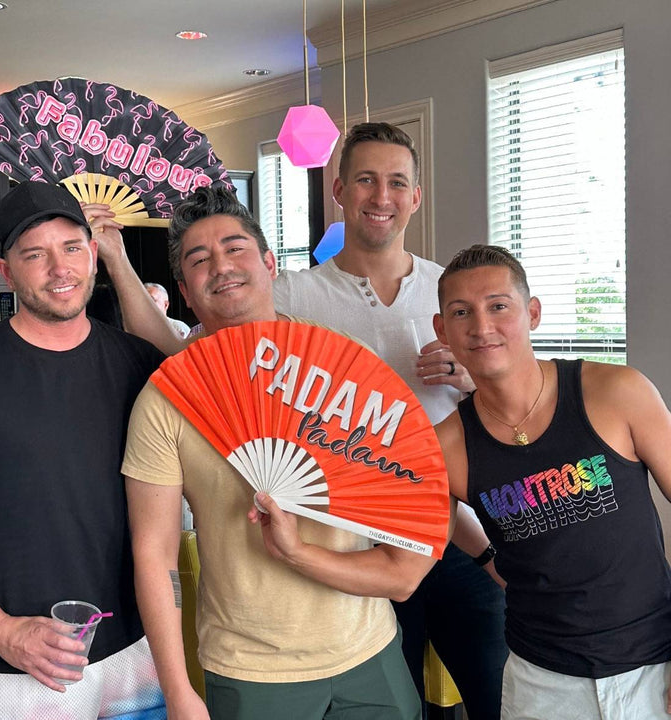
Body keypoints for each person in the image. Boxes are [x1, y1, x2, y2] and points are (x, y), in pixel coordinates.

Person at [116, 186, 493, 720]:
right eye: (199, 260)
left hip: (371, 648)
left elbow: (407, 490)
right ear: (184, 291)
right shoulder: (167, 400)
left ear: (270, 264)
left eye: (235, 248)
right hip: (251, 669)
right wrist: (177, 690)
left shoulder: (341, 364)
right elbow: (154, 556)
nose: (221, 266)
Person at [272, 122, 508, 719]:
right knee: (390, 707)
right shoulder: (292, 297)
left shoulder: (450, 291)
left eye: (397, 182)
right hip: (358, 543)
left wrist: (470, 377)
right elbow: (196, 350)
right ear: (339, 190)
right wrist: (116, 259)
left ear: (416, 196)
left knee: (501, 698)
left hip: (456, 531)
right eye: (366, 180)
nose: (382, 197)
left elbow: (514, 395)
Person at [0, 181, 165, 720]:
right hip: (7, 665)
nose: (59, 268)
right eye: (35, 255)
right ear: (6, 273)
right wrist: (2, 632)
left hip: (132, 650)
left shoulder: (138, 364)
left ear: (93, 253)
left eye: (71, 247)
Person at [431, 244, 671, 720]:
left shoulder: (617, 392)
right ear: (442, 330)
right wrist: (486, 557)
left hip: (654, 667)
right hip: (540, 683)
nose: (481, 327)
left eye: (499, 306)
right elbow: (420, 547)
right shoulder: (446, 445)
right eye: (462, 312)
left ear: (533, 313)